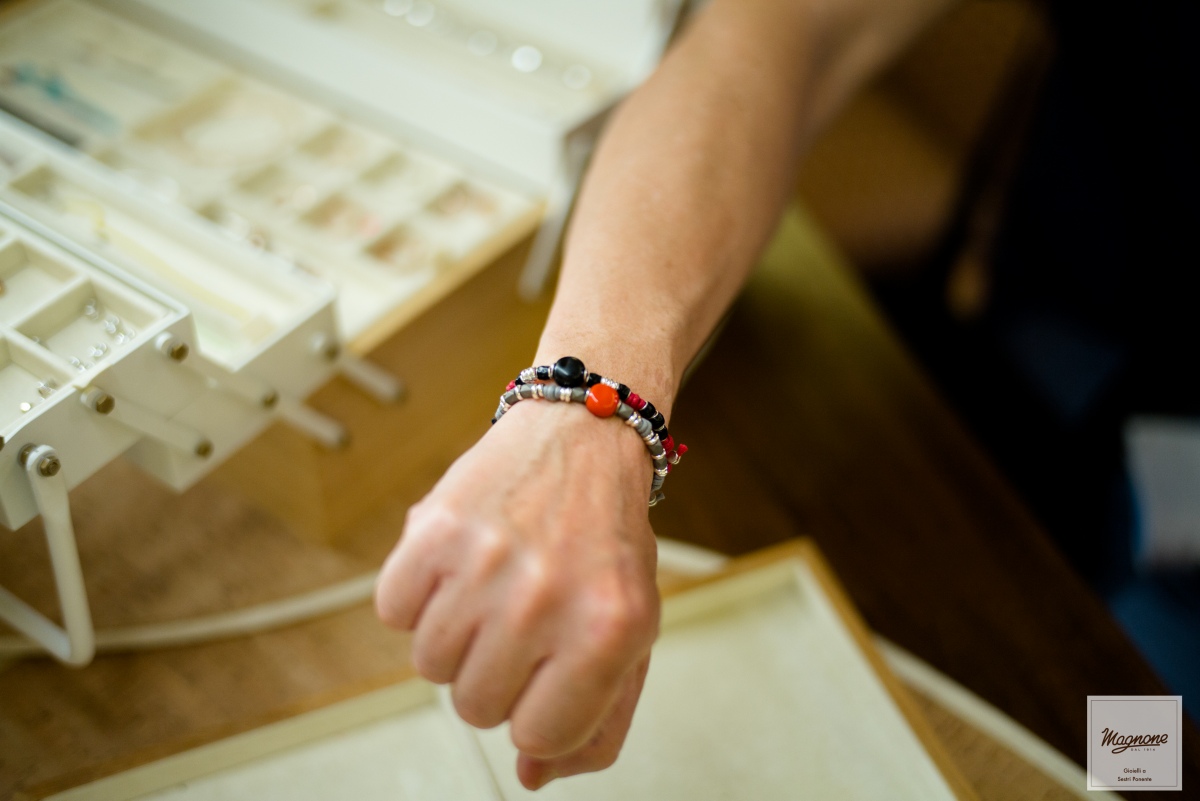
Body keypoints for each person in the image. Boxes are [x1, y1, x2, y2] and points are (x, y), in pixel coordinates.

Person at [375, 0, 1200, 790]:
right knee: (979, 653)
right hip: (1059, 332)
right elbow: (782, 31)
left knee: (1135, 750)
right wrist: (587, 413)